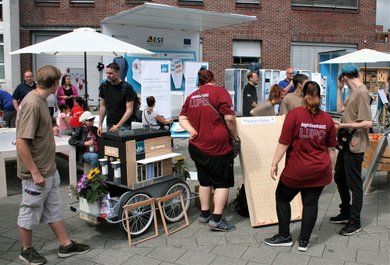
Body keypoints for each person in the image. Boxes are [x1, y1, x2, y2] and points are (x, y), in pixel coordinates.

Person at [15, 65, 90, 265]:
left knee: (53, 208)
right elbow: (22, 142)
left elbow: (37, 129)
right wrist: (35, 173)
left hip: (48, 168)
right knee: (29, 209)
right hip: (37, 172)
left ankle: (65, 244)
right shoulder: (32, 103)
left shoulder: (39, 100)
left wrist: (52, 128)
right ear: (56, 83)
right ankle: (26, 250)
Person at [264, 81, 337, 252]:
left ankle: (284, 236)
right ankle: (304, 242)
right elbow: (332, 149)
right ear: (320, 96)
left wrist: (274, 163)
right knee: (310, 204)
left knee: (282, 198)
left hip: (297, 171)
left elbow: (284, 143)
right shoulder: (327, 119)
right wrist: (331, 170)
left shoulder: (295, 115)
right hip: (319, 170)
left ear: (303, 95)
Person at [179, 68, 239, 232]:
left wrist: (191, 130)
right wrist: (235, 136)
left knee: (204, 181)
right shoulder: (220, 92)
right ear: (213, 79)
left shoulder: (192, 96)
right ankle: (217, 219)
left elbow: (182, 117)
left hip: (197, 146)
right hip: (217, 147)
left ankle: (205, 214)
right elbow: (229, 118)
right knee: (222, 183)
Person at [330, 63, 372, 236]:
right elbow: (341, 108)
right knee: (339, 177)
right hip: (347, 143)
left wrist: (342, 126)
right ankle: (346, 211)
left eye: (342, 81)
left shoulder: (362, 92)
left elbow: (368, 123)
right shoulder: (353, 92)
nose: (343, 83)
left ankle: (355, 221)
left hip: (356, 145)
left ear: (345, 77)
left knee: (355, 185)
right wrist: (339, 90)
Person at [97, 62, 137, 136]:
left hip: (124, 125)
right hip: (110, 123)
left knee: (124, 147)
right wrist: (100, 125)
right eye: (107, 73)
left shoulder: (127, 87)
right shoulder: (104, 86)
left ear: (117, 73)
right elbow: (103, 106)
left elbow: (129, 109)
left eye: (111, 73)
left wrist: (118, 125)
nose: (108, 75)